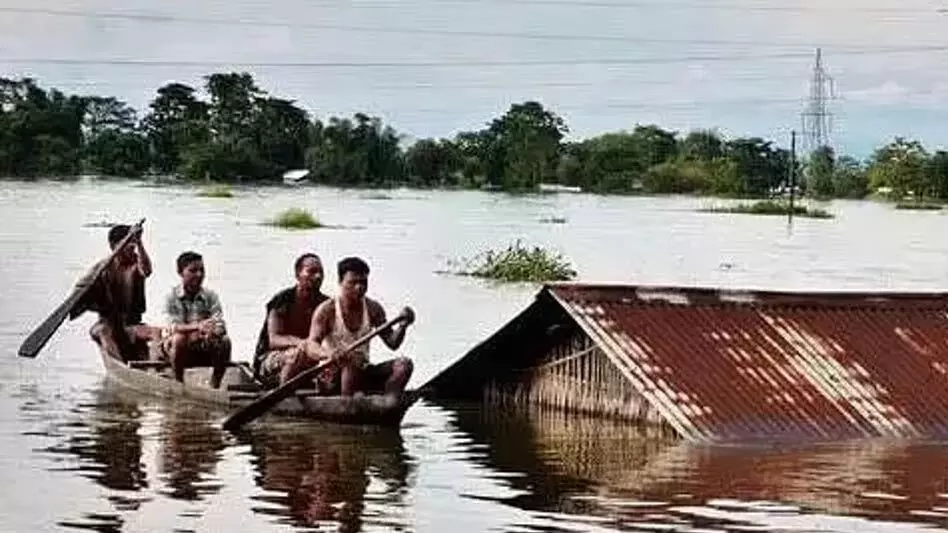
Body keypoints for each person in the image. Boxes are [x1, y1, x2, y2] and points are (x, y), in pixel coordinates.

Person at [306, 256, 415, 397]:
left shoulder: (373, 308)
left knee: (404, 365)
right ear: (340, 282)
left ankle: (388, 403)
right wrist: (329, 354)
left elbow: (392, 343)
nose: (359, 287)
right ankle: (348, 405)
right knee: (351, 362)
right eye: (353, 282)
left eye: (363, 282)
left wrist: (403, 326)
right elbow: (311, 346)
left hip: (361, 370)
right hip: (331, 377)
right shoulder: (327, 310)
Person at [70, 223, 156, 361]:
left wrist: (139, 241)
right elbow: (80, 292)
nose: (132, 250)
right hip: (108, 324)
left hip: (132, 324)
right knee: (104, 331)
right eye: (128, 247)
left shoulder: (136, 264)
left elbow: (146, 270)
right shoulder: (102, 269)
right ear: (114, 247)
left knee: (154, 332)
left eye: (133, 247)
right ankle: (119, 365)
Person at [150, 251, 232, 388]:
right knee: (179, 338)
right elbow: (173, 326)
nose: (199, 275)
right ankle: (179, 382)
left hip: (201, 343)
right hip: (174, 348)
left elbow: (219, 322)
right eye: (193, 271)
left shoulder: (211, 296)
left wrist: (214, 331)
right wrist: (198, 327)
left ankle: (215, 384)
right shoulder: (171, 297)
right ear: (181, 272)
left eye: (201, 270)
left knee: (224, 341)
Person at [254, 253, 331, 387]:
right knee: (297, 355)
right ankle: (285, 396)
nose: (318, 276)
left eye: (320, 272)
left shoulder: (326, 304)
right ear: (298, 275)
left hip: (311, 357)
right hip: (271, 359)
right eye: (312, 272)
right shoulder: (282, 300)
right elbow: (274, 340)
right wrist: (303, 344)